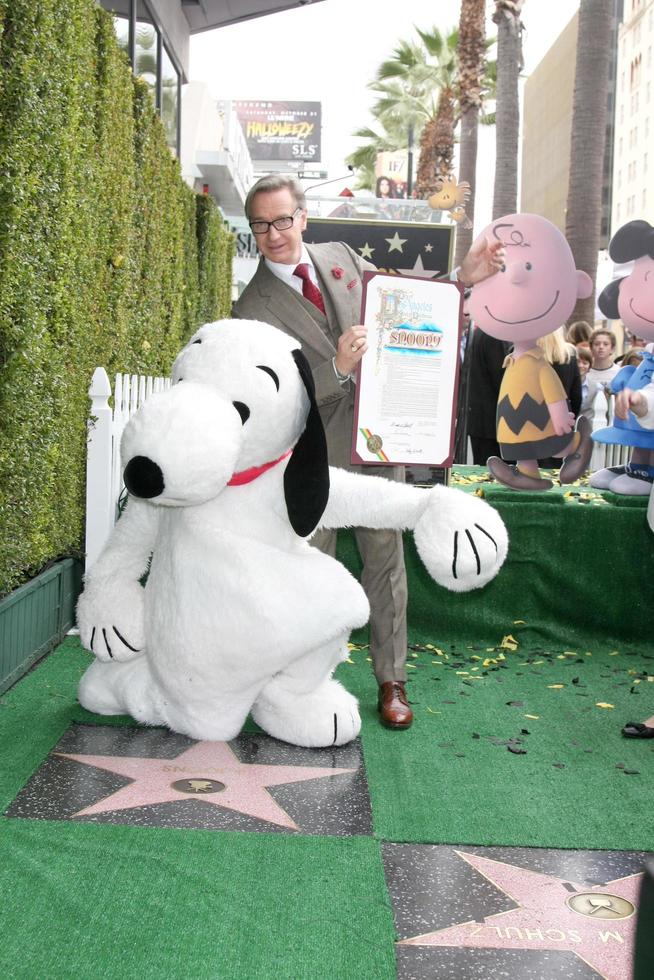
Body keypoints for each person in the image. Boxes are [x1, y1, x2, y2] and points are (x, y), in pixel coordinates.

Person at [233, 172, 504, 729]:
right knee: (312, 569)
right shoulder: (249, 309)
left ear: (303, 218)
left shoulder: (341, 257)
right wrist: (334, 369)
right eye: (261, 225)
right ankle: (303, 685)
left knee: (385, 565)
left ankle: (392, 682)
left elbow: (405, 306)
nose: (274, 234)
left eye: (283, 220)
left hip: (379, 443)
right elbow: (267, 399)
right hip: (309, 457)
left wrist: (463, 279)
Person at [536, 327, 582, 469]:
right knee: (556, 469)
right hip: (561, 417)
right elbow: (576, 395)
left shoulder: (524, 355)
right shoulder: (569, 356)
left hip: (532, 418)